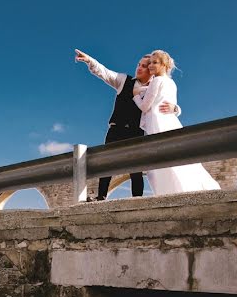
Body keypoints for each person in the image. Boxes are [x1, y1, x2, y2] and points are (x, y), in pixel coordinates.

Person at [74, 49, 180, 200]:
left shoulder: (154, 86)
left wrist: (175, 108)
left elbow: (166, 104)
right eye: (139, 64)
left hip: (136, 132)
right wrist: (89, 60)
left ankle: (137, 200)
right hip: (116, 129)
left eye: (144, 66)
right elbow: (104, 72)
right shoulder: (124, 80)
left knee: (135, 169)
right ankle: (101, 197)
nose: (139, 68)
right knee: (107, 164)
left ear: (151, 70)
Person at [132, 49, 220, 194]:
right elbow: (172, 104)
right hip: (170, 122)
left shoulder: (157, 81)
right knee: (178, 156)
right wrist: (175, 109)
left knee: (160, 160)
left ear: (164, 65)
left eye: (155, 62)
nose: (150, 66)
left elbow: (145, 106)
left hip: (157, 122)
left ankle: (170, 192)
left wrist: (136, 96)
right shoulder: (171, 82)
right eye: (150, 63)